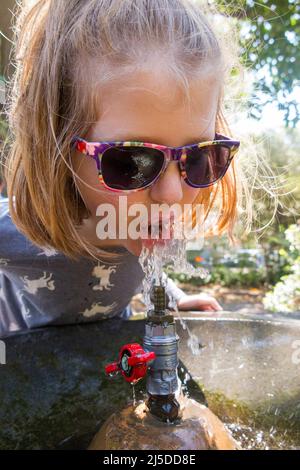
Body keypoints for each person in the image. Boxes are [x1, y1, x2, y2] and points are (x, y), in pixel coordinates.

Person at [0, 0, 267, 338]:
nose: (171, 194)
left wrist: (176, 298)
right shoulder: (16, 234)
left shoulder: (141, 222)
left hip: (107, 358)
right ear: (54, 144)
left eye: (199, 159)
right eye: (131, 163)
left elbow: (145, 269)